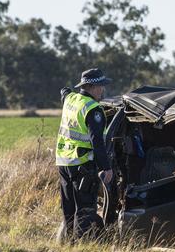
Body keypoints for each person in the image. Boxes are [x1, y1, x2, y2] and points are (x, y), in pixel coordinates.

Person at [56, 68, 114, 242]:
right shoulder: (93, 109)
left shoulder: (71, 99)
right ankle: (83, 244)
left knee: (69, 207)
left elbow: (64, 92)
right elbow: (98, 143)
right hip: (82, 165)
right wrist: (106, 168)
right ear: (91, 87)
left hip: (63, 162)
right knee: (85, 209)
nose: (102, 90)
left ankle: (69, 243)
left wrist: (65, 92)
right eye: (100, 87)